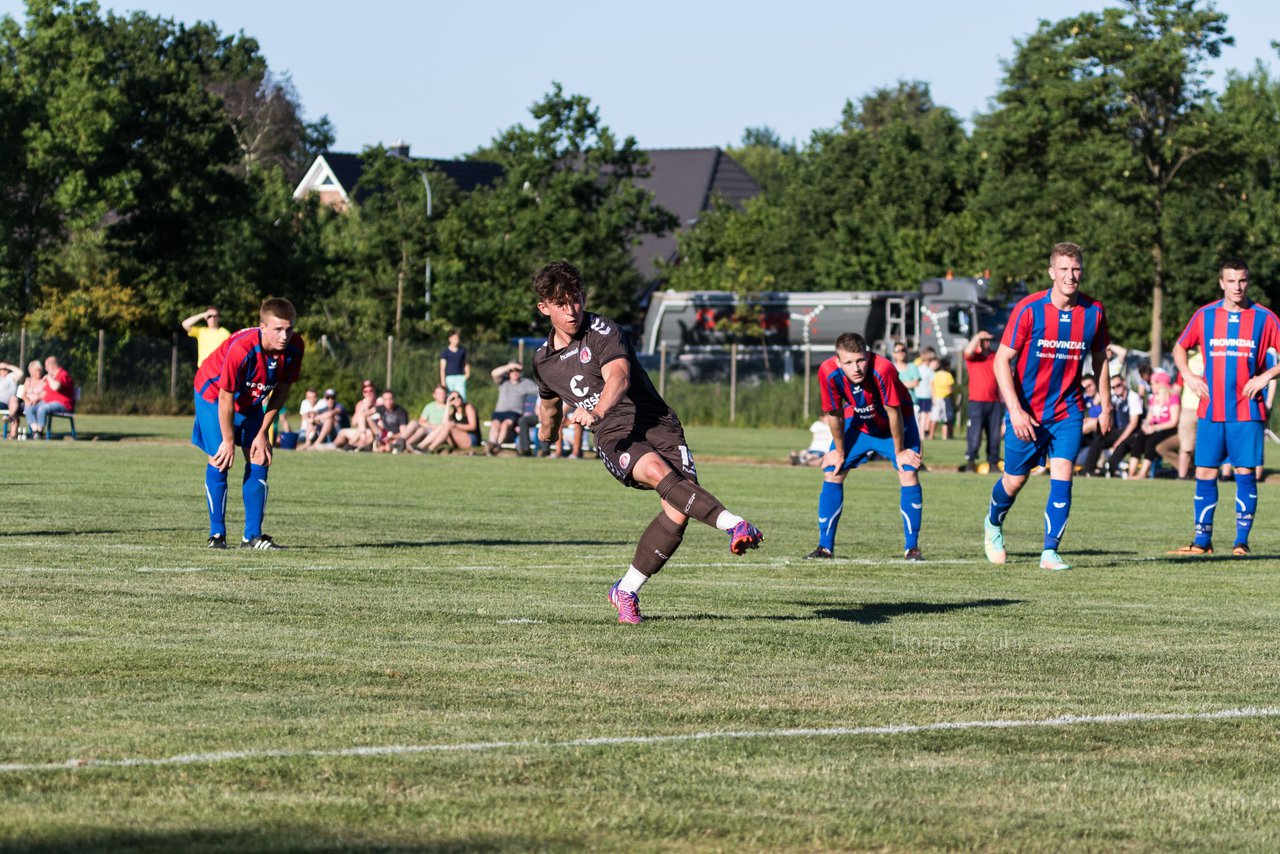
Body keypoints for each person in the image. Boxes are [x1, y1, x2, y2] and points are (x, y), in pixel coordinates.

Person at [530, 260, 762, 624]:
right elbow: (548, 408)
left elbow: (619, 377)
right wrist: (547, 432)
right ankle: (735, 525)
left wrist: (596, 410)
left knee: (678, 508)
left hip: (656, 420)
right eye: (561, 303)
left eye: (575, 299)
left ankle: (626, 590)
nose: (571, 310)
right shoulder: (543, 361)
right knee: (655, 470)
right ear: (544, 307)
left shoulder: (602, 329)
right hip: (615, 434)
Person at [983, 242, 1112, 571]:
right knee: (1015, 480)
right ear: (1052, 273)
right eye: (1064, 270)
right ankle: (993, 523)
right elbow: (1001, 361)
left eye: (1076, 269)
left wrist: (1106, 405)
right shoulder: (1029, 309)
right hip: (1026, 411)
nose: (1071, 276)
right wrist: (1014, 409)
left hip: (1068, 410)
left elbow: (1100, 361)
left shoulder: (1094, 312)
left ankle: (1050, 551)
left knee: (1063, 474)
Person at [1170, 257, 1280, 557]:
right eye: (1231, 281)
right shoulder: (1205, 316)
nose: (1237, 287)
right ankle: (1201, 542)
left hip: (1247, 412)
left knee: (1245, 472)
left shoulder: (1264, 318)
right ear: (1221, 283)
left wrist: (1266, 376)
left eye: (1242, 280)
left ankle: (1241, 543)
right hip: (1210, 410)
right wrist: (1189, 375)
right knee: (1204, 473)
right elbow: (1179, 347)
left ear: (1249, 281)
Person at [191, 298, 303, 550]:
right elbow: (225, 396)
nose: (284, 335)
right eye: (278, 329)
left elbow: (282, 392)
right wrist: (229, 441)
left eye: (289, 329)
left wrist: (263, 432)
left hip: (251, 400)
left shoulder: (295, 347)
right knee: (220, 457)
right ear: (262, 327)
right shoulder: (242, 349)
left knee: (259, 457)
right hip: (212, 394)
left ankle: (252, 536)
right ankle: (216, 535)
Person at [806, 332, 923, 561]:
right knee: (833, 472)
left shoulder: (884, 369)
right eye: (848, 362)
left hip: (896, 424)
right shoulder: (828, 372)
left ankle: (912, 549)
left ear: (868, 355)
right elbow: (835, 414)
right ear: (838, 361)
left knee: (908, 472)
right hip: (859, 423)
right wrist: (838, 452)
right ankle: (825, 548)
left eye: (860, 360)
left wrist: (899, 452)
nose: (856, 367)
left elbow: (894, 412)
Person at [1081, 375, 1143, 477]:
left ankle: (1110, 469)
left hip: (1133, 432)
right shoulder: (1114, 398)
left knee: (1122, 444)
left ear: (1124, 383)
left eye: (1118, 385)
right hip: (1119, 431)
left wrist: (1120, 440)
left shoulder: (1133, 397)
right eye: (1113, 387)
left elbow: (1133, 424)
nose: (1116, 389)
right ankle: (1088, 471)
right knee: (1099, 439)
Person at [960, 330, 1004, 473]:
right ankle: (971, 461)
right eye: (983, 340)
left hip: (995, 401)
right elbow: (967, 351)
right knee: (975, 433)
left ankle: (993, 462)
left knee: (994, 435)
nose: (986, 342)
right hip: (977, 401)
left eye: (987, 340)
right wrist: (978, 336)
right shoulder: (974, 357)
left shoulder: (995, 356)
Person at [1131, 371, 1179, 479]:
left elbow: (1173, 422)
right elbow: (1149, 418)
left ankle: (1142, 474)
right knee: (1138, 438)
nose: (1151, 386)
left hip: (1167, 429)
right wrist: (1146, 426)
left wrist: (1155, 428)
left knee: (1150, 442)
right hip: (1154, 428)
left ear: (1160, 384)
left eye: (1153, 383)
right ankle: (1131, 473)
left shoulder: (1173, 398)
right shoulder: (1153, 398)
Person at [486, 361, 539, 455]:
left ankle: (497, 446)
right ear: (508, 372)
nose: (514, 372)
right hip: (499, 411)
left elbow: (540, 391)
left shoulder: (526, 383)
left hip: (514, 413)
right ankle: (491, 445)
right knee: (494, 424)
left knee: (505, 425)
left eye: (517, 370)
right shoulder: (503, 382)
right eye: (512, 370)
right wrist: (510, 365)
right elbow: (494, 373)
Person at [1174, 347, 1203, 479]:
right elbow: (1177, 387)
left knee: (1206, 446)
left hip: (1208, 408)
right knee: (1186, 446)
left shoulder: (1215, 357)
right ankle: (1182, 476)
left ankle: (1202, 475)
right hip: (1189, 408)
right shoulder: (1188, 360)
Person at [29, 356, 75, 438]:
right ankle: (35, 430)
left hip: (63, 404)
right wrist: (36, 398)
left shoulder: (63, 375)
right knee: (29, 407)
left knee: (43, 408)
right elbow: (45, 393)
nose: (46, 370)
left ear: (52, 367)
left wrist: (48, 378)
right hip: (48, 402)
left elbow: (56, 387)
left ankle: (39, 432)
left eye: (46, 367)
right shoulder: (52, 377)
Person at [334, 380, 380, 451]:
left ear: (374, 391)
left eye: (371, 391)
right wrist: (363, 408)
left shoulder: (379, 403)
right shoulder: (360, 404)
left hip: (374, 432)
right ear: (363, 393)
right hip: (360, 431)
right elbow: (354, 422)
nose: (368, 393)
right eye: (365, 391)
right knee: (342, 432)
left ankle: (350, 446)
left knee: (368, 433)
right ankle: (333, 447)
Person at [404, 385, 448, 450]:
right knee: (417, 426)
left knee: (437, 428)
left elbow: (445, 424)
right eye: (439, 394)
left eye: (443, 393)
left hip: (440, 432)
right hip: (428, 429)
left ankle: (417, 447)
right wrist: (431, 426)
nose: (442, 395)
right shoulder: (429, 406)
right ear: (434, 395)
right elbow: (421, 421)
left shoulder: (449, 408)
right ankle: (405, 443)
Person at [929, 356, 955, 440]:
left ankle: (931, 435)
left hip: (936, 398)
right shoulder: (948, 375)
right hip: (945, 398)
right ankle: (944, 436)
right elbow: (950, 389)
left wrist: (933, 397)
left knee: (934, 418)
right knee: (945, 419)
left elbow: (932, 386)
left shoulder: (935, 375)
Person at [439, 329, 470, 401]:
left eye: (457, 339)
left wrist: (467, 374)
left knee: (462, 397)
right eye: (454, 339)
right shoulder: (445, 352)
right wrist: (443, 382)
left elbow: (465, 363)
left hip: (460, 377)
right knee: (449, 397)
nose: (456, 341)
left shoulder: (462, 350)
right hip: (449, 378)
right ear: (450, 339)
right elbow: (442, 368)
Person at [0, 360, 24, 438]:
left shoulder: (11, 377)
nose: (2, 371)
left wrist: (7, 366)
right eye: (1, 369)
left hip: (7, 402)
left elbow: (20, 373)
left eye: (4, 369)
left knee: (14, 399)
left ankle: (9, 417)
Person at [915, 348, 935, 438]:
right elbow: (932, 385)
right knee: (924, 416)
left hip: (917, 395)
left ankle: (918, 433)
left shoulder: (917, 369)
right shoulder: (930, 371)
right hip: (926, 395)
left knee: (918, 415)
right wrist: (934, 397)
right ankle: (922, 434)